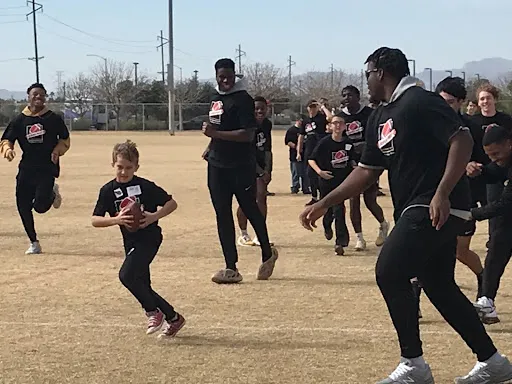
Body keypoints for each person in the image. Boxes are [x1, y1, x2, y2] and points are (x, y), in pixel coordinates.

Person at [299, 46, 512, 383]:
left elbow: (461, 140)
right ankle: (493, 362)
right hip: (418, 207)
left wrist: (442, 192)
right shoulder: (380, 116)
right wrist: (325, 202)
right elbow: (367, 171)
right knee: (438, 285)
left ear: (382, 72)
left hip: (434, 204)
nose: (365, 80)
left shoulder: (419, 100)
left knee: (389, 270)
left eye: (368, 73)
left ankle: (413, 363)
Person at [92, 140, 185, 338]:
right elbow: (95, 220)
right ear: (112, 165)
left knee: (126, 276)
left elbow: (171, 203)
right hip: (130, 241)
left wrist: (153, 217)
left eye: (128, 168)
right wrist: (116, 219)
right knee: (142, 284)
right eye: (120, 167)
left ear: (136, 167)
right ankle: (174, 318)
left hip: (150, 238)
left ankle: (153, 312)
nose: (124, 172)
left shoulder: (144, 186)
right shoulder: (107, 190)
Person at [202, 58, 278, 284]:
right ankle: (231, 267)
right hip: (217, 165)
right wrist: (210, 146)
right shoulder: (215, 98)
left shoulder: (243, 99)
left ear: (235, 75)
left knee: (249, 208)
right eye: (220, 76)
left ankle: (267, 252)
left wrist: (215, 136)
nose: (224, 80)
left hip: (240, 165)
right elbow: (218, 127)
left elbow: (247, 134)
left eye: (228, 76)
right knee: (222, 213)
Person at [0, 83, 69, 254]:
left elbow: (65, 140)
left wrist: (57, 150)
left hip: (46, 168)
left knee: (39, 206)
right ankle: (34, 242)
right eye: (35, 94)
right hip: (26, 168)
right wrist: (8, 149)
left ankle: (52, 193)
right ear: (28, 96)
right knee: (22, 205)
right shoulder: (19, 120)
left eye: (42, 95)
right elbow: (7, 139)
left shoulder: (53, 118)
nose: (38, 97)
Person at [326, 85, 389, 251]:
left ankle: (383, 224)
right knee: (353, 200)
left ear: (357, 96)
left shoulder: (369, 114)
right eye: (344, 95)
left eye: (350, 95)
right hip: (351, 163)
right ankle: (359, 238)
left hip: (369, 161)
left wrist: (366, 147)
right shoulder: (340, 117)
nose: (347, 98)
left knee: (370, 200)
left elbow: (377, 135)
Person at [467, 125, 512, 325]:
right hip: (507, 223)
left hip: (507, 209)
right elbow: (496, 171)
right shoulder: (504, 160)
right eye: (489, 155)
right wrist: (480, 170)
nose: (493, 158)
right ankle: (487, 301)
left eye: (496, 153)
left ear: (509, 144)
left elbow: (506, 203)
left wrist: (472, 214)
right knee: (495, 252)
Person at [308, 115, 354, 255]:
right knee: (328, 210)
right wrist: (320, 172)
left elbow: (352, 161)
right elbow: (311, 159)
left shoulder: (348, 143)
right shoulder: (324, 143)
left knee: (339, 210)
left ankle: (340, 242)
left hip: (341, 182)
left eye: (341, 123)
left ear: (345, 126)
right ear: (330, 126)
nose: (338, 126)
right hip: (326, 181)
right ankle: (327, 225)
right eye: (335, 123)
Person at [471, 84, 512, 239]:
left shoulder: (506, 120)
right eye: (482, 98)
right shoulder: (472, 122)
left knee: (498, 211)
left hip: (502, 172)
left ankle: (495, 240)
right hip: (482, 171)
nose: (485, 101)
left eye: (488, 98)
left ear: (495, 99)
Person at [237, 96, 274, 247]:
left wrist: (268, 170)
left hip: (259, 164)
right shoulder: (246, 124)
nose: (259, 111)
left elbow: (267, 149)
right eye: (256, 108)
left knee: (261, 197)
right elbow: (245, 152)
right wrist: (260, 171)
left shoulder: (267, 124)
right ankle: (243, 234)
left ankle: (260, 234)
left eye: (262, 108)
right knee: (246, 199)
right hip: (243, 164)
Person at [297, 99, 328, 206]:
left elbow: (331, 118)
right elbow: (301, 136)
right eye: (310, 107)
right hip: (309, 151)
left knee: (321, 173)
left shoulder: (321, 118)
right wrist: (298, 151)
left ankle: (323, 195)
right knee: (310, 174)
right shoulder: (305, 121)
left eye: (314, 107)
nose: (312, 109)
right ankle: (314, 196)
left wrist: (322, 107)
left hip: (320, 150)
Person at [285, 117, 308, 194]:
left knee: (305, 173)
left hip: (305, 154)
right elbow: (287, 141)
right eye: (301, 121)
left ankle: (306, 188)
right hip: (294, 155)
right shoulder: (291, 130)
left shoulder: (306, 130)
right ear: (297, 121)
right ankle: (295, 187)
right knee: (296, 173)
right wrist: (296, 146)